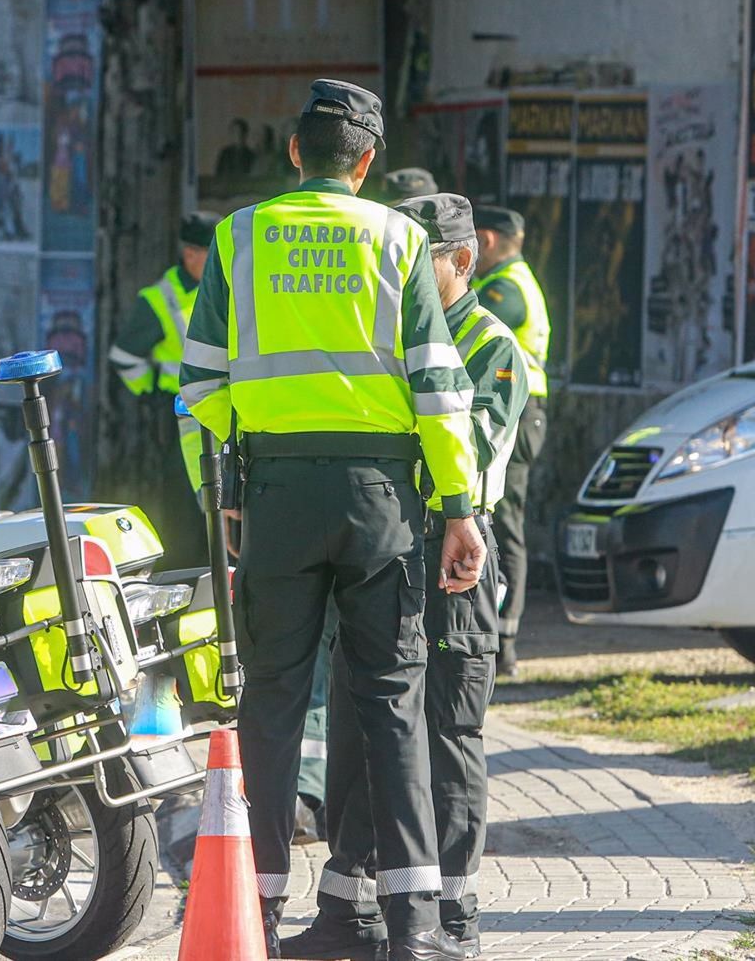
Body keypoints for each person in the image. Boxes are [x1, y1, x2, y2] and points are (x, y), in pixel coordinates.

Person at [180, 79, 486, 961]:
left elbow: (200, 390)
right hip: (382, 500)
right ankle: (415, 929)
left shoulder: (239, 237)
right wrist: (459, 506)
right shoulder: (402, 238)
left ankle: (257, 917)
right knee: (393, 703)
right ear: (366, 161)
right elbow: (438, 386)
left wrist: (228, 496)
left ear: (292, 154)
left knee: (270, 704)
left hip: (274, 494)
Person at [283, 194, 528, 961]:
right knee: (361, 727)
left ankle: (451, 914)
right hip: (383, 553)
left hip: (449, 561)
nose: (409, 273)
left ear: (464, 261)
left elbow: (474, 453)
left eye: (427, 260)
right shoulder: (388, 335)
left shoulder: (489, 345)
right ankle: (348, 911)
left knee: (447, 733)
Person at [107, 210, 220, 566]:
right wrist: (152, 392)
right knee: (184, 504)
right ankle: (185, 575)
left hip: (217, 411)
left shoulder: (218, 288)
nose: (220, 262)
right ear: (190, 254)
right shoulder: (161, 298)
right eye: (212, 254)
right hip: (177, 413)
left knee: (218, 497)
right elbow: (124, 357)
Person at [471, 204, 549, 678]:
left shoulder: (507, 288)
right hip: (515, 412)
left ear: (488, 239)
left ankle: (507, 640)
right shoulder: (505, 281)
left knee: (506, 522)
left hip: (519, 414)